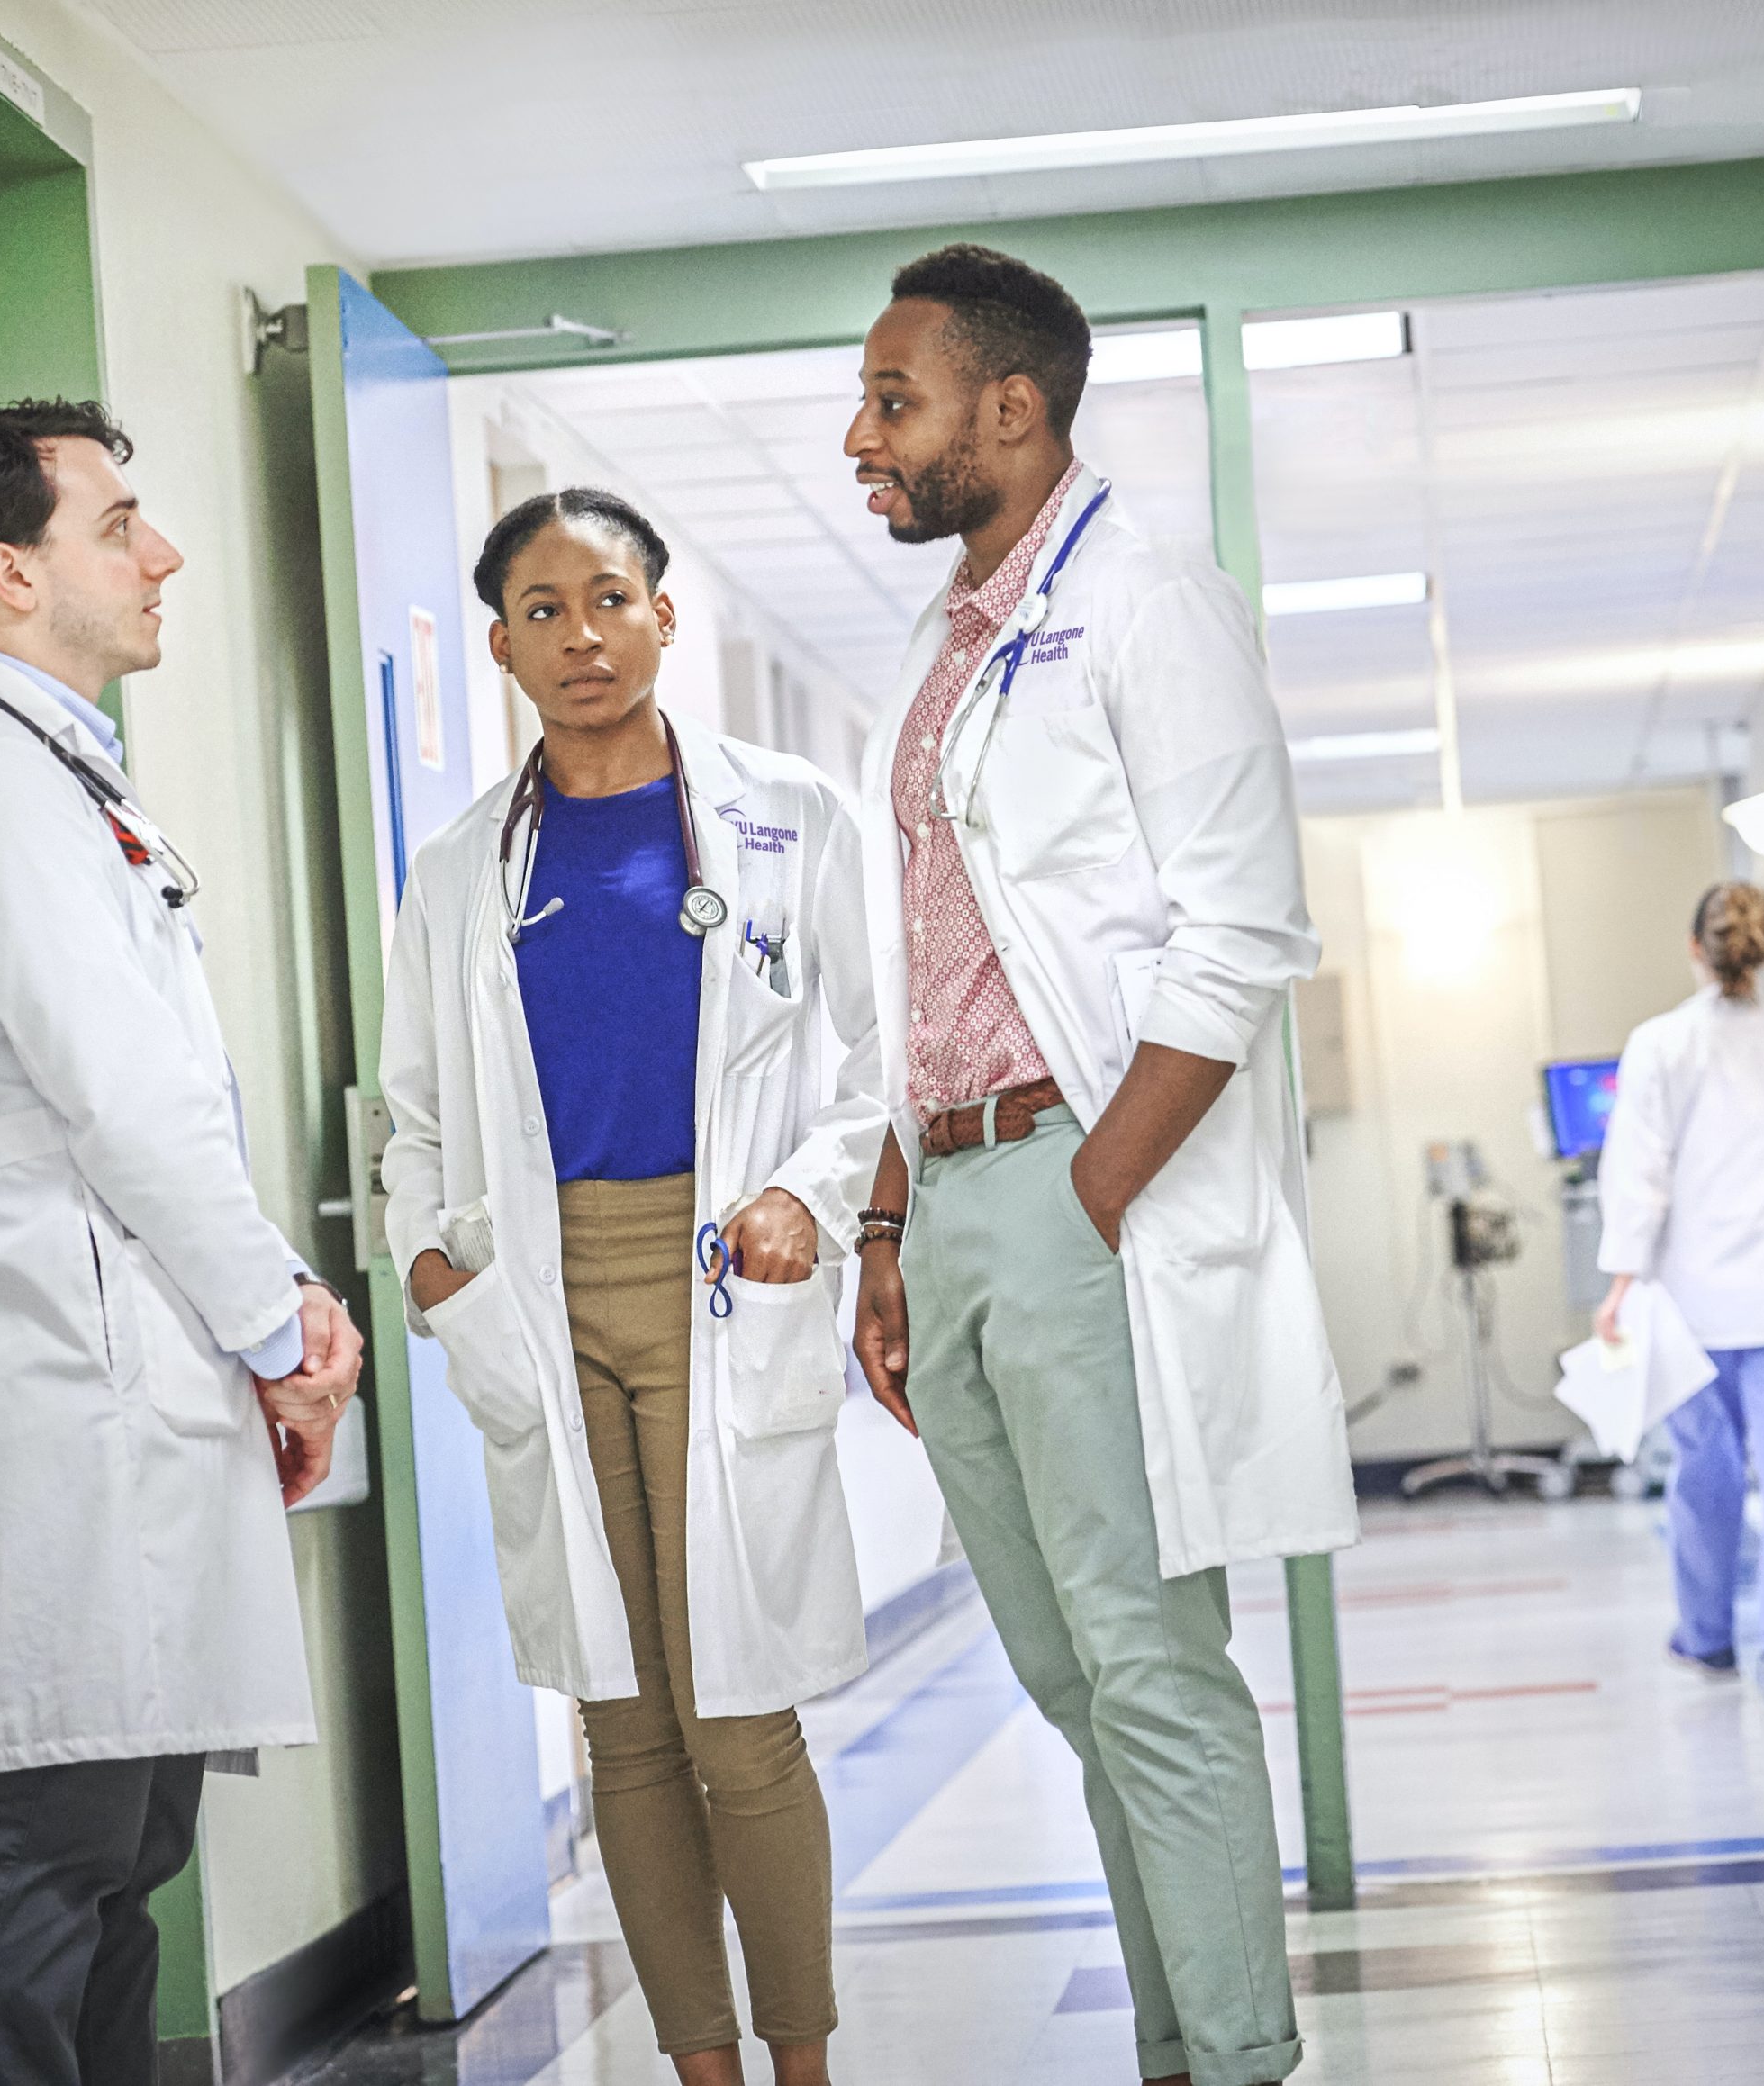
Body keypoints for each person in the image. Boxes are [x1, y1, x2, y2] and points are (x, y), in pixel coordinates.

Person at [843, 246, 1356, 2086]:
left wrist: (1086, 1191)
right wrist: (892, 1219)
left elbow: (1238, 937)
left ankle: (1231, 2053)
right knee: (1068, 1683)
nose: (859, 437)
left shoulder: (1148, 601)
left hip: (1082, 1182)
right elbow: (920, 961)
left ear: (1010, 407)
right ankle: (1170, 2045)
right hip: (959, 1194)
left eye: (889, 401)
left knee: (1147, 1667)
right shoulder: (945, 640)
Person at [0, 398, 364, 2086]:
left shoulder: (52, 774)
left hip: (121, 1337)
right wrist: (284, 1324)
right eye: (119, 522)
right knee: (52, 1822)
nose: (164, 553)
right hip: (63, 1346)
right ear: (13, 572)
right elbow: (130, 1099)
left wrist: (265, 1305)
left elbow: (159, 1094)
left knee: (123, 1833)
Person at [379, 489, 883, 2086]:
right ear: (502, 643)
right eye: (542, 608)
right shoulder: (463, 869)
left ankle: (800, 2063)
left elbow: (873, 1055)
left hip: (720, 1268)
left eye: (609, 597)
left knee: (738, 1715)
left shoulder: (790, 815)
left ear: (667, 614)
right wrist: (433, 1264)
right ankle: (701, 2068)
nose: (580, 634)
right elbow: (410, 1113)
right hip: (541, 1290)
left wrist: (815, 1191)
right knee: (625, 1725)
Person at [1595, 880, 1764, 1694]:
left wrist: (1618, 1285)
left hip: (1693, 1307)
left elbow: (1640, 1175)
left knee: (1703, 1477)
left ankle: (1706, 1637)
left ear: (1694, 947)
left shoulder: (1660, 1044)